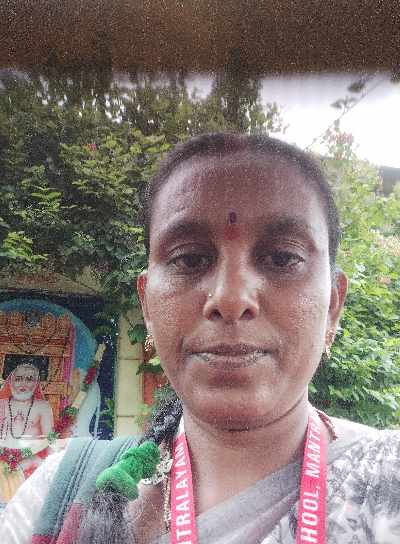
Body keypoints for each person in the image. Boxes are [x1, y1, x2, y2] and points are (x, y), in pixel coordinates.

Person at [1, 133, 399, 543]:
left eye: (282, 258)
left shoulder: (386, 482)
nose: (230, 298)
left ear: (333, 305)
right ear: (147, 305)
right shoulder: (52, 500)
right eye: (189, 259)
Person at [0, 363, 54, 443]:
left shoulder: (43, 406)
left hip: (35, 450)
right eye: (18, 379)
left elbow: (50, 440)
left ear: (35, 383)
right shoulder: (1, 404)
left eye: (29, 379)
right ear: (10, 382)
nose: (23, 384)